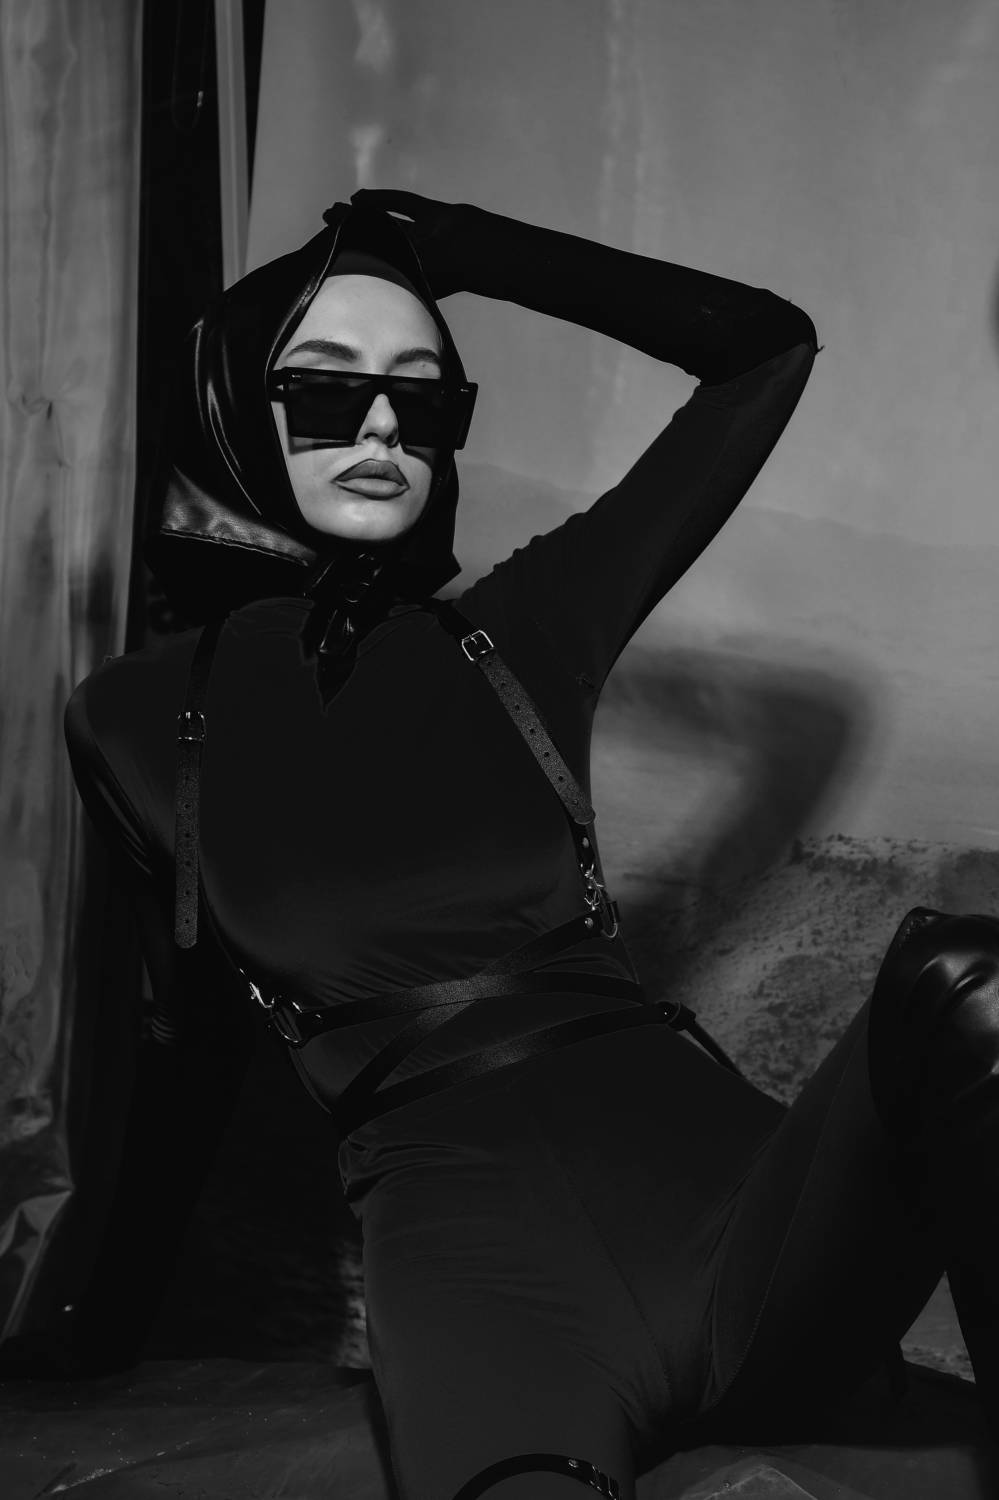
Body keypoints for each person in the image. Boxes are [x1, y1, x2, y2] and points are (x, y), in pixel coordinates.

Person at [64, 189, 999, 1499]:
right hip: (480, 1270)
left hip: (736, 1205)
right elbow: (170, 1043)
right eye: (327, 391)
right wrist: (88, 1315)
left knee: (972, 980)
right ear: (233, 409)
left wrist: (466, 248)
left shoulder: (518, 632)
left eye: (423, 395)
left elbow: (764, 352)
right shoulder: (132, 716)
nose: (382, 426)